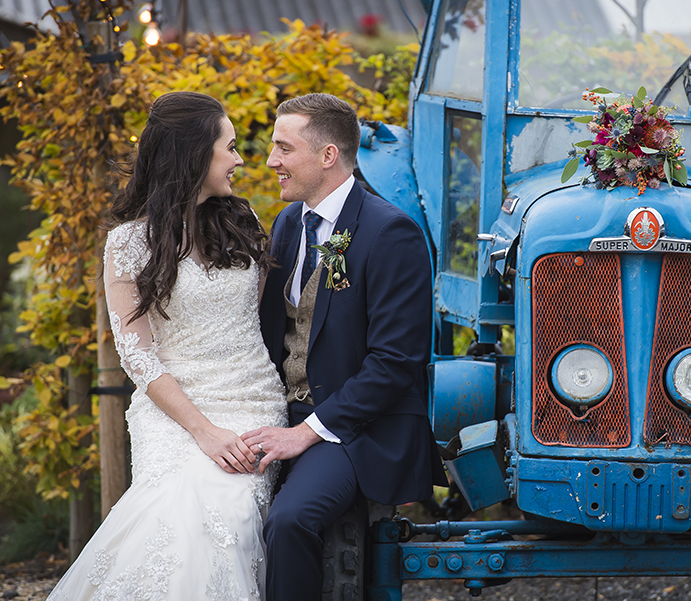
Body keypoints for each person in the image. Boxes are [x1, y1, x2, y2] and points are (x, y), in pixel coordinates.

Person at [48, 91, 287, 601]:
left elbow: (260, 322)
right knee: (173, 512)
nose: (242, 159)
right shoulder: (128, 245)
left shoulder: (243, 226)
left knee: (229, 511)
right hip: (173, 412)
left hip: (250, 401)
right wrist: (204, 432)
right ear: (194, 155)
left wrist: (229, 430)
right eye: (231, 146)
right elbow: (137, 357)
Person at [241, 93, 446, 601]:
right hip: (280, 408)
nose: (271, 162)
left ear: (328, 156)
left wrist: (305, 432)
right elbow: (277, 332)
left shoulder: (391, 233)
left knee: (290, 522)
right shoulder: (290, 222)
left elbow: (396, 364)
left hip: (355, 430)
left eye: (283, 149)